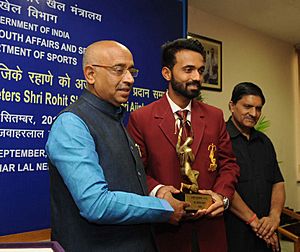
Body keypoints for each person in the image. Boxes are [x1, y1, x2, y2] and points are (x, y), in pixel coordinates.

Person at [45, 40, 188, 252]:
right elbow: (96, 204)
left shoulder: (115, 118)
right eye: (118, 70)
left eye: (131, 71)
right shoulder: (72, 124)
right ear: (90, 75)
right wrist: (163, 208)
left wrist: (156, 193)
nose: (129, 79)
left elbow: (121, 185)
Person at [127, 38, 240, 252]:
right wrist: (160, 193)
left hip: (211, 233)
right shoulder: (141, 118)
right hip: (166, 234)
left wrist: (222, 197)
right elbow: (136, 171)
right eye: (188, 70)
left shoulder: (215, 117)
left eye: (200, 70)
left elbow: (229, 165)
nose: (197, 77)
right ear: (167, 73)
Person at [224, 82, 285, 252]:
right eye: (247, 106)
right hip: (234, 236)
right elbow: (225, 188)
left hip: (267, 235)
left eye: (258, 108)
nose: (254, 113)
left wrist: (274, 217)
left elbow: (278, 182)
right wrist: (256, 224)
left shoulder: (264, 142)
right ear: (232, 106)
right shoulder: (220, 139)